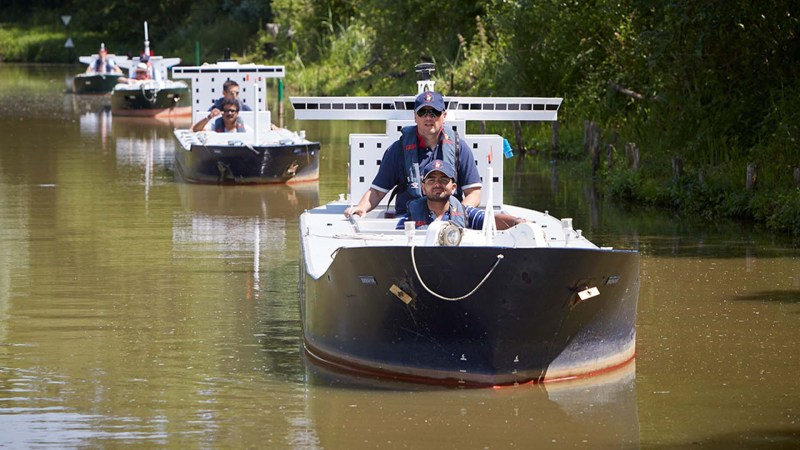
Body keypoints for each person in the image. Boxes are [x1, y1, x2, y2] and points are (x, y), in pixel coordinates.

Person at [345, 90, 482, 218]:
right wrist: (361, 207)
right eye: (423, 112)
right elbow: (377, 191)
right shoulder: (398, 150)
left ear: (444, 116)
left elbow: (474, 192)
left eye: (434, 112)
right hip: (408, 221)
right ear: (415, 116)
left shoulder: (459, 148)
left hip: (448, 224)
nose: (428, 118)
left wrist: (456, 215)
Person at [396, 160, 527, 230]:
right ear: (423, 188)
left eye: (443, 180)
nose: (437, 184)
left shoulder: (465, 212)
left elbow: (491, 220)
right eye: (431, 180)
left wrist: (518, 222)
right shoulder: (409, 217)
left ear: (453, 188)